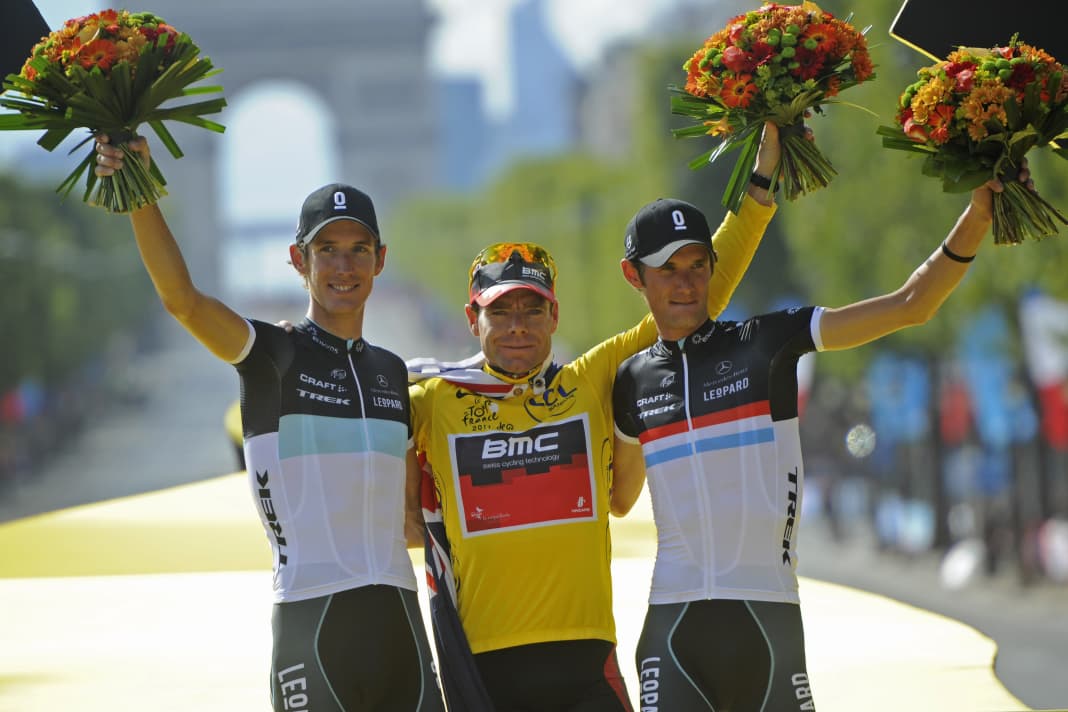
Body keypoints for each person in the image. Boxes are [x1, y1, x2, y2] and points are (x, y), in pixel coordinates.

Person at [609, 165, 1034, 711]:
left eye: (698, 265)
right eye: (667, 270)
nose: (687, 284)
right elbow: (620, 500)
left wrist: (978, 214)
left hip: (766, 620)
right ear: (633, 275)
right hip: (671, 628)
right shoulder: (630, 380)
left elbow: (912, 304)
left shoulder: (766, 343)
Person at [405, 124, 792, 710]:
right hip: (484, 668)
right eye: (500, 310)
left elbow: (693, 295)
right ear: (471, 319)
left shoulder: (589, 381)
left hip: (587, 662)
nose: (517, 325)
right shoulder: (434, 399)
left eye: (532, 309)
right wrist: (298, 352)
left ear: (554, 316)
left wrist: (760, 187)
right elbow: (349, 412)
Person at [93, 136, 445, 711]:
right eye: (326, 249)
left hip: (401, 621)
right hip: (313, 619)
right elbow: (182, 300)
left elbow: (409, 521)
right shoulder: (271, 357)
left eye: (358, 249)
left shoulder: (391, 372)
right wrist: (140, 188)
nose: (343, 265)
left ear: (381, 259)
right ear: (297, 259)